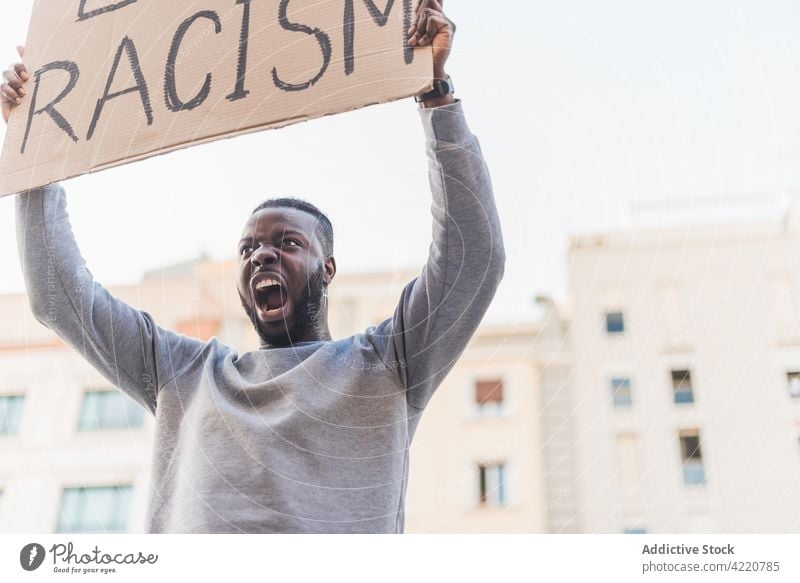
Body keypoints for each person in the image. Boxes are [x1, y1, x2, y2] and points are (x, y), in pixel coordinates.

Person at [1, 0, 505, 533]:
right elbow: (58, 297)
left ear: (327, 269)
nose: (261, 254)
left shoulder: (387, 364)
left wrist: (435, 94)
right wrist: (36, 153)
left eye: (286, 242)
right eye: (248, 249)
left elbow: (474, 258)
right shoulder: (186, 376)